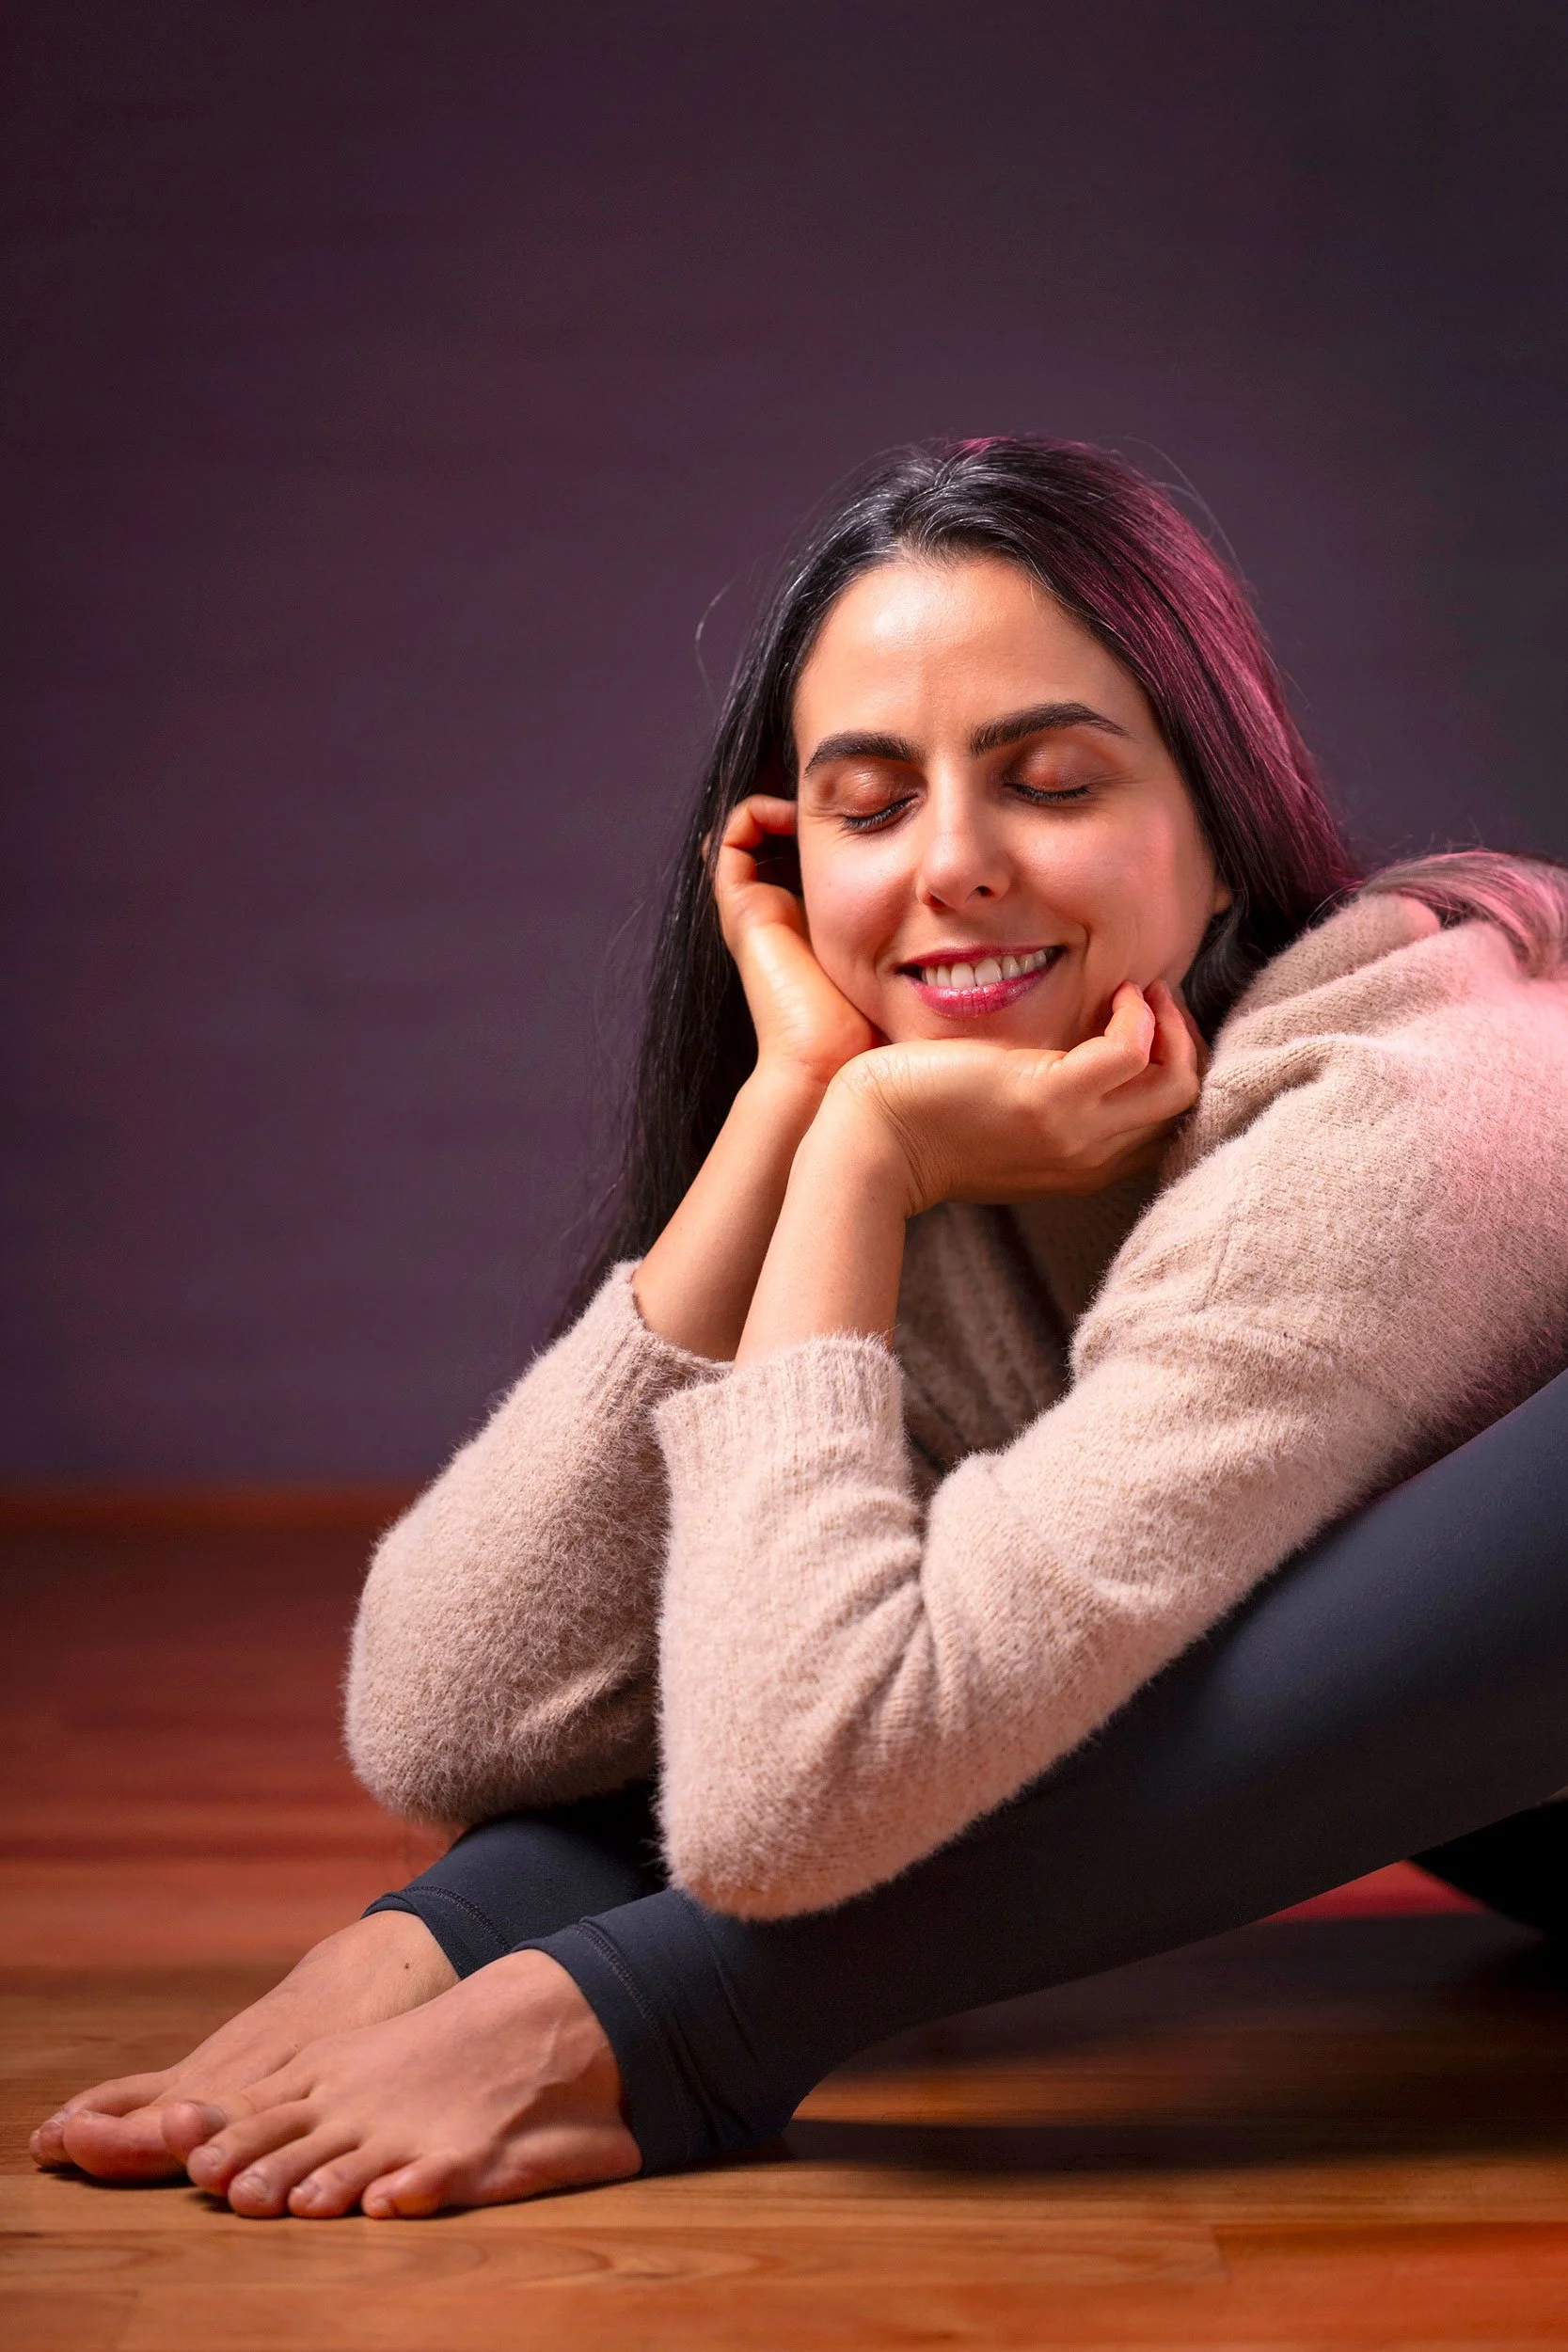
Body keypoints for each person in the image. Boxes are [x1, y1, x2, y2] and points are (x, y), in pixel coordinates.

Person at [33, 437, 1568, 2220]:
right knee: (844, 1626)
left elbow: (788, 1809)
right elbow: (454, 1714)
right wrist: (798, 1117)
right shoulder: (956, 1147)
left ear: (1219, 841)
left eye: (1051, 784)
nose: (955, 866)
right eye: (865, 805)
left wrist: (635, 2005)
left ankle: (657, 2032)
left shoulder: (1408, 1110)